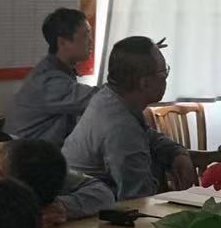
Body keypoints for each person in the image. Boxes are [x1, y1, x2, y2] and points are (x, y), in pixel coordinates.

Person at [63, 36, 193, 199]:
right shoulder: (121, 127)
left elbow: (146, 134)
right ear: (144, 83)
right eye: (163, 72)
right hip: (89, 212)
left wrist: (176, 153)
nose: (166, 78)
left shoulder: (111, 98)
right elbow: (139, 199)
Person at [6, 8, 97, 145]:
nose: (91, 41)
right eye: (85, 35)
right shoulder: (48, 80)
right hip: (28, 155)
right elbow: (99, 100)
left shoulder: (58, 69)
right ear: (63, 42)